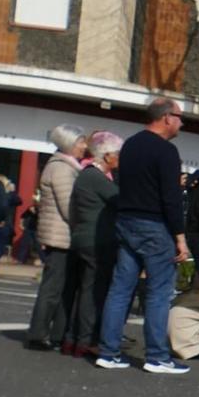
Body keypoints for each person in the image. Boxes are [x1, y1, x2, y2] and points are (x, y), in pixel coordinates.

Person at [95, 99, 191, 372]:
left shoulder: (131, 145)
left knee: (120, 289)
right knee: (159, 292)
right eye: (180, 117)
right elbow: (171, 197)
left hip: (126, 220)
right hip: (154, 224)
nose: (182, 123)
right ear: (167, 118)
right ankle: (157, 356)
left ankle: (108, 351)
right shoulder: (166, 151)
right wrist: (180, 236)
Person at [25, 124, 86, 349]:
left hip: (58, 235)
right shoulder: (62, 168)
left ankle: (48, 333)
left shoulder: (60, 166)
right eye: (80, 141)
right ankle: (38, 334)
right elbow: (69, 206)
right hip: (60, 237)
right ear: (69, 143)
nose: (84, 146)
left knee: (56, 286)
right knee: (52, 288)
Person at [65, 131, 123, 359]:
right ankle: (85, 340)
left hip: (82, 237)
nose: (120, 159)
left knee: (84, 291)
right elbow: (120, 200)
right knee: (93, 292)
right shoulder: (96, 178)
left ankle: (73, 338)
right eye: (118, 154)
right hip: (96, 241)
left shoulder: (85, 176)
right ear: (108, 156)